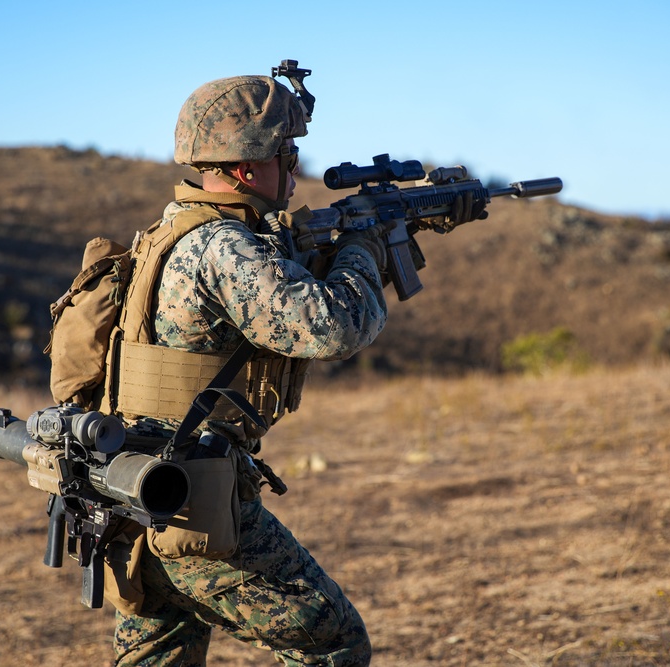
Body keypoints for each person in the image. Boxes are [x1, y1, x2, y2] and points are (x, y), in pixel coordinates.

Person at [111, 72, 390, 666]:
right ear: (246, 168)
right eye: (288, 154)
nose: (295, 171)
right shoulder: (222, 246)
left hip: (140, 495)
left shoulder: (172, 231)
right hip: (196, 502)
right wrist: (364, 252)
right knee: (332, 641)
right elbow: (331, 326)